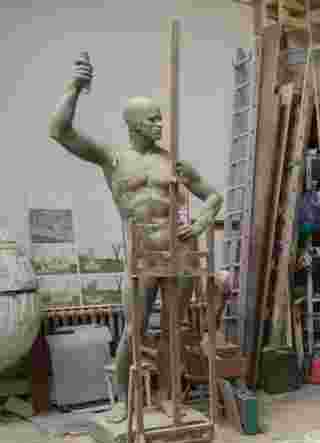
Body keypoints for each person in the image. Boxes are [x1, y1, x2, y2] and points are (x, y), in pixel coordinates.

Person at [48, 53, 229, 422]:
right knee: (133, 330)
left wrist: (201, 222)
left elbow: (213, 196)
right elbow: (60, 131)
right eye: (152, 119)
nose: (160, 124)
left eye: (161, 118)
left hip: (180, 254)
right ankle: (121, 400)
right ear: (132, 124)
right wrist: (75, 87)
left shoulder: (173, 162)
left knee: (173, 332)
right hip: (142, 254)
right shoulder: (112, 157)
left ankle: (167, 398)